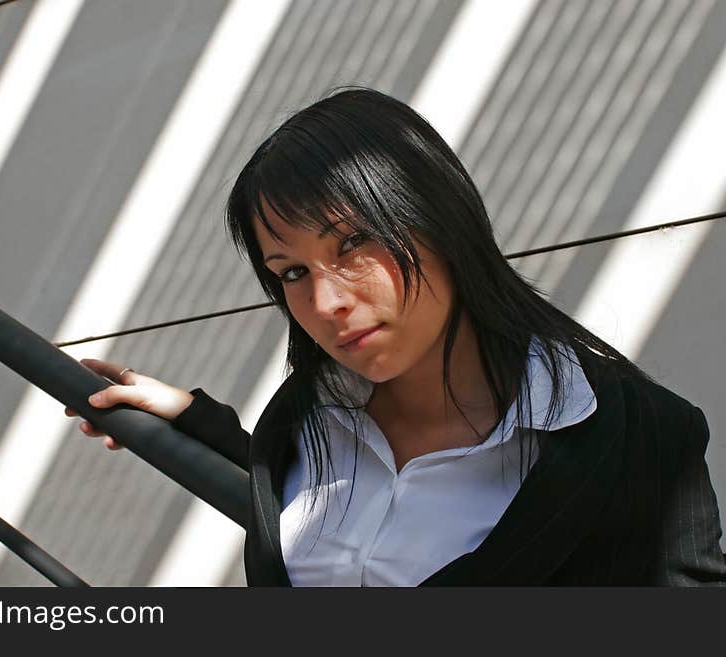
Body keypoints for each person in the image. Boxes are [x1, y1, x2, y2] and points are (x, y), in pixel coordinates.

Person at [66, 88, 726, 586]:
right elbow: (333, 515)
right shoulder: (302, 416)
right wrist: (189, 420)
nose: (324, 301)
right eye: (291, 271)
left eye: (353, 242)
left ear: (440, 220)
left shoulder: (641, 436)